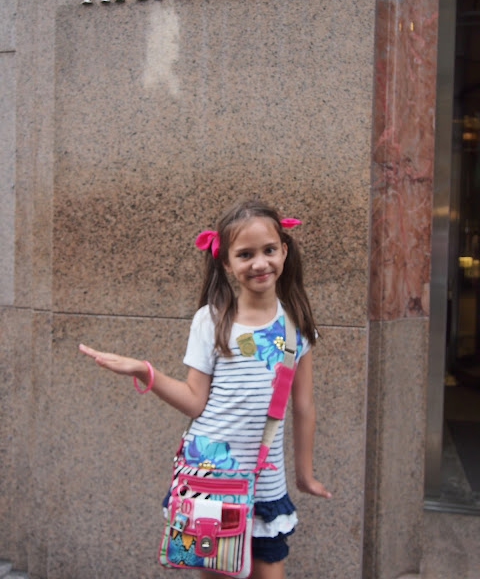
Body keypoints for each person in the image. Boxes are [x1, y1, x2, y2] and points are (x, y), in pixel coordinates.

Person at [79, 198, 331, 579]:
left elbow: (304, 406)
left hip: (264, 479)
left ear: (284, 250)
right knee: (215, 572)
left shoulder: (296, 325)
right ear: (226, 263)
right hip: (211, 475)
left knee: (270, 569)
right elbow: (195, 401)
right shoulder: (210, 320)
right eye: (245, 254)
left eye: (268, 250)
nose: (259, 263)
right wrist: (145, 371)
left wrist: (305, 474)